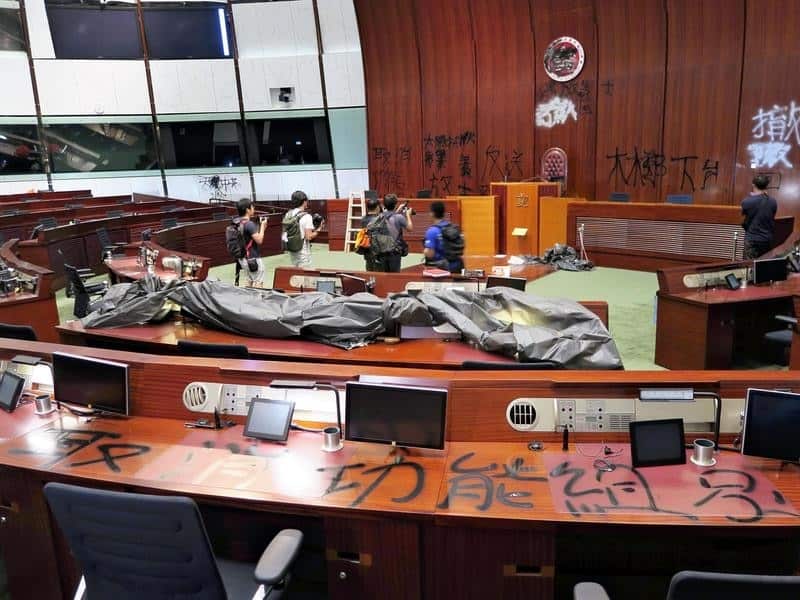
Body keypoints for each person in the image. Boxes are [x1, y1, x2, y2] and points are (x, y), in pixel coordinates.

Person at [741, 174, 777, 259]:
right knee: (763, 265)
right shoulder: (773, 201)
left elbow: (742, 219)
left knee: (749, 266)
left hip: (752, 239)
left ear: (753, 185)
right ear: (766, 186)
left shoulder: (747, 201)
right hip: (766, 239)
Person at [284, 190, 323, 267]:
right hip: (303, 252)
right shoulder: (306, 216)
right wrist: (319, 229)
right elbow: (309, 236)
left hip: (292, 250)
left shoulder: (288, 214)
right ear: (304, 201)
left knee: (296, 273)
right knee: (305, 276)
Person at [424, 201, 465, 273]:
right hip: (458, 265)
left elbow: (430, 253)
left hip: (443, 268)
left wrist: (425, 251)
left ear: (432, 213)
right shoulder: (453, 227)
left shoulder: (432, 231)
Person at [234, 197, 266, 286]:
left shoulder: (236, 223)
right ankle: (259, 300)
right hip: (253, 258)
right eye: (252, 207)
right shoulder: (249, 224)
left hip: (242, 259)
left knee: (249, 280)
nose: (254, 209)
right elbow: (259, 240)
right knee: (258, 282)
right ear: (248, 210)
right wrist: (263, 226)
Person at [381, 193, 413, 272]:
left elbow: (390, 217)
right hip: (394, 252)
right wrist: (408, 215)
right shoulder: (399, 217)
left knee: (384, 275)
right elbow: (410, 228)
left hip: (381, 250)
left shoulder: (380, 216)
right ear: (395, 204)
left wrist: (397, 210)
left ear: (384, 204)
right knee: (394, 276)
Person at [360, 197, 385, 272]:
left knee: (369, 271)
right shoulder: (381, 219)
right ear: (377, 207)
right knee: (380, 273)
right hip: (378, 251)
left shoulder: (363, 219)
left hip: (367, 249)